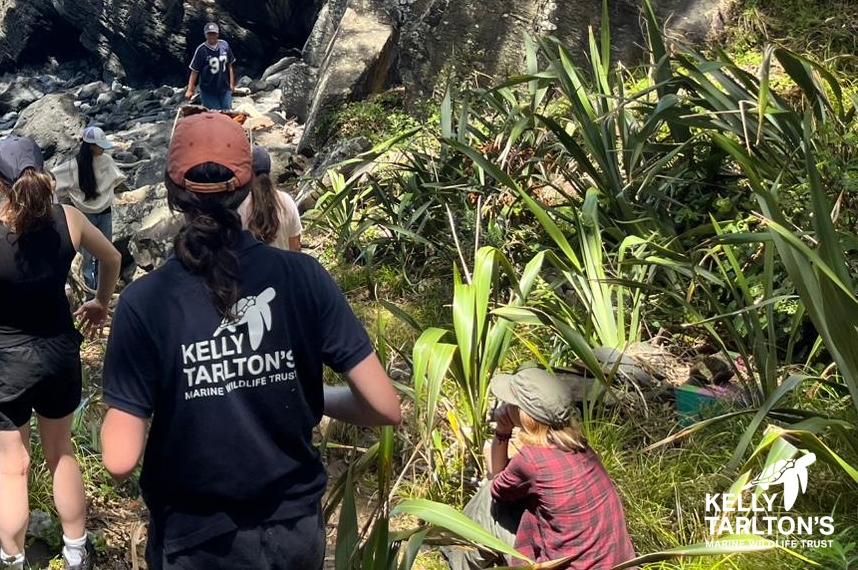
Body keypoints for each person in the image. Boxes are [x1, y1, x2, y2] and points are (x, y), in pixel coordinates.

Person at [100, 111, 402, 570]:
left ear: (170, 190)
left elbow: (119, 459)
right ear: (249, 187)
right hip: (294, 532)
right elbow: (385, 407)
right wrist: (313, 396)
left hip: (196, 540)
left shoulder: (144, 302)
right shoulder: (304, 277)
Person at [0, 134, 122, 570]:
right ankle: (75, 551)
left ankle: (11, 560)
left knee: (13, 469)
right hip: (57, 354)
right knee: (61, 452)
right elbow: (111, 259)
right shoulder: (69, 220)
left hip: (5, 363)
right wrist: (101, 303)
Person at [444, 368, 636, 570]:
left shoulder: (531, 460)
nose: (504, 406)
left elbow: (496, 483)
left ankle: (455, 558)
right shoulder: (579, 446)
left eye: (510, 402)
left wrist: (502, 431)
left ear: (523, 415)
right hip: (618, 564)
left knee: (488, 501)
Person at [51, 125, 125, 291]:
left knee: (104, 253)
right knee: (88, 257)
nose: (103, 149)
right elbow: (51, 179)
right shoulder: (74, 166)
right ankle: (91, 291)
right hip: (87, 217)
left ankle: (102, 288)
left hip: (101, 213)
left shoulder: (105, 160)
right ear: (91, 146)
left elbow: (54, 179)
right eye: (100, 146)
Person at [237, 146, 303, 251]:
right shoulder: (287, 201)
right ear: (269, 169)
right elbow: (296, 247)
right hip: (283, 266)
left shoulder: (240, 205)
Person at [185, 21, 235, 111]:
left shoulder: (225, 45)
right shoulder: (201, 50)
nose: (212, 36)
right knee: (214, 115)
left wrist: (231, 84)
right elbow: (194, 71)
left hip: (224, 87)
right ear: (205, 35)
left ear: (218, 34)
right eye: (209, 34)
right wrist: (190, 89)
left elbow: (230, 65)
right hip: (208, 90)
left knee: (227, 113)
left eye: (214, 34)